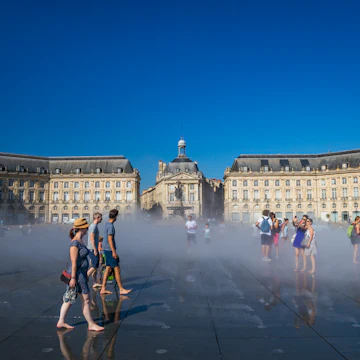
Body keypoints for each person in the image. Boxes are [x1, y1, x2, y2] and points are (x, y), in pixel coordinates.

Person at [57, 218, 104, 331]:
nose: (87, 229)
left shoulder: (80, 241)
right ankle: (91, 324)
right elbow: (73, 262)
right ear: (81, 228)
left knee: (69, 298)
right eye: (86, 227)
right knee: (85, 299)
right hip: (77, 275)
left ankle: (61, 321)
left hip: (81, 274)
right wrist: (73, 278)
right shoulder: (75, 243)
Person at [100, 209, 132, 296]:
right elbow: (110, 239)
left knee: (107, 268)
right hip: (110, 250)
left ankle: (103, 288)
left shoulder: (106, 223)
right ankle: (121, 289)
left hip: (106, 249)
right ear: (115, 216)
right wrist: (114, 252)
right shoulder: (110, 226)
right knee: (116, 268)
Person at [87, 213, 103, 288]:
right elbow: (92, 238)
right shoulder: (93, 226)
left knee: (95, 267)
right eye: (101, 218)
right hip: (92, 248)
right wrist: (95, 249)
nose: (101, 219)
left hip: (92, 248)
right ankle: (84, 278)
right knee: (94, 265)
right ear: (97, 218)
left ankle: (94, 282)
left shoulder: (94, 226)